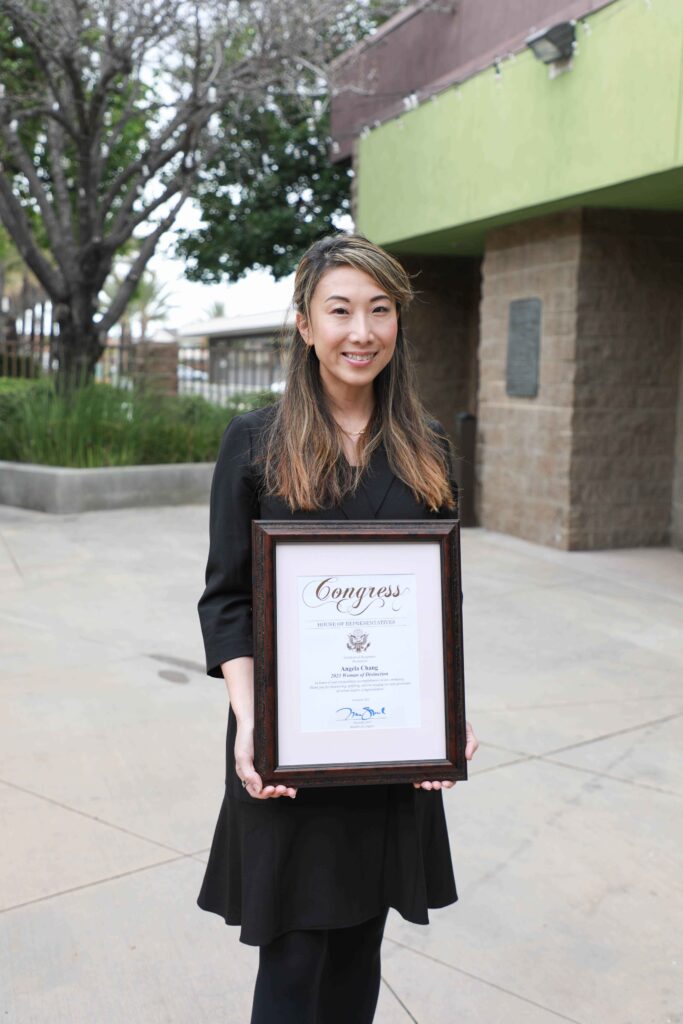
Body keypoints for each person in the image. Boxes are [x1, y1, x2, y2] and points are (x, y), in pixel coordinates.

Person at [197, 234, 479, 1024]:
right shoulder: (255, 442)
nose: (362, 331)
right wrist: (251, 723)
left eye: (380, 310)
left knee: (359, 956)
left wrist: (445, 714)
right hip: (290, 746)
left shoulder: (426, 448)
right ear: (304, 325)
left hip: (388, 748)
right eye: (341, 310)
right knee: (294, 966)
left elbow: (436, 605)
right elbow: (226, 600)